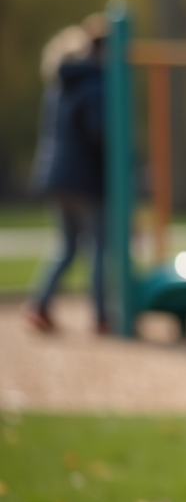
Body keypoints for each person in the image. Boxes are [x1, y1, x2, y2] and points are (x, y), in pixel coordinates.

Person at [22, 18, 109, 335]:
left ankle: (40, 304)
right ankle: (102, 314)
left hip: (54, 175)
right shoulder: (95, 84)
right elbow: (99, 133)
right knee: (101, 246)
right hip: (84, 177)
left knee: (68, 246)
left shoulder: (60, 85)